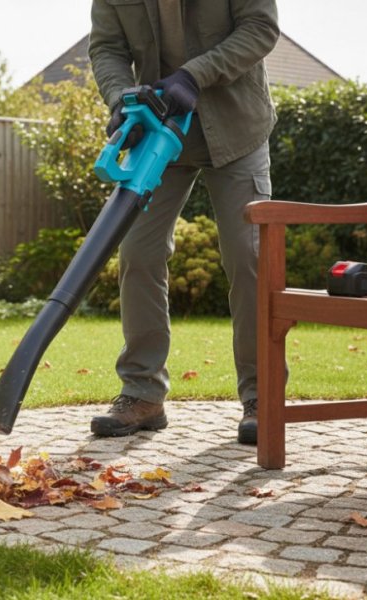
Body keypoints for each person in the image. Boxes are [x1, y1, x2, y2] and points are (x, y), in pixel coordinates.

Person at [87, 0, 279, 444]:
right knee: (138, 252)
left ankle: (263, 396)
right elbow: (108, 48)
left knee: (248, 254)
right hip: (160, 126)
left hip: (236, 125)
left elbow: (260, 28)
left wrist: (194, 75)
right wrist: (121, 99)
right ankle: (143, 393)